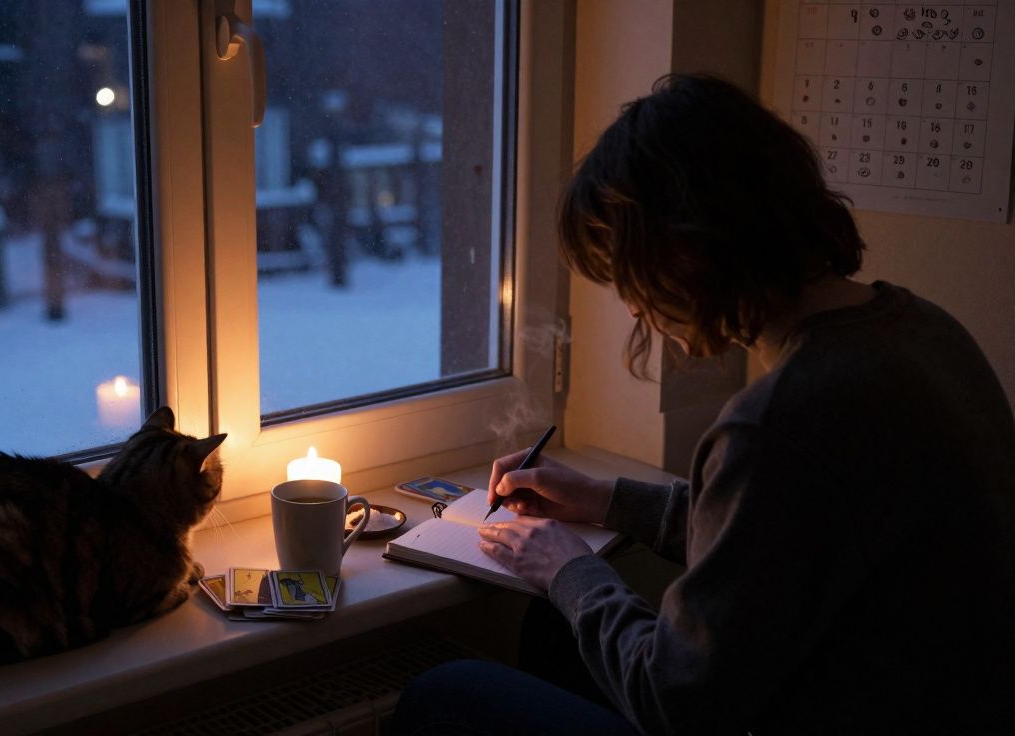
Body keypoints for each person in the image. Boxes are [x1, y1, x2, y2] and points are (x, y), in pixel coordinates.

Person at [392, 74, 1015, 735]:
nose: (633, 306)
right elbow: (781, 530)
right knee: (557, 632)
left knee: (446, 695)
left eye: (628, 277)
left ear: (686, 252)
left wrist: (568, 567)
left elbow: (678, 700)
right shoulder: (922, 329)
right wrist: (603, 500)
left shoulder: (782, 416)